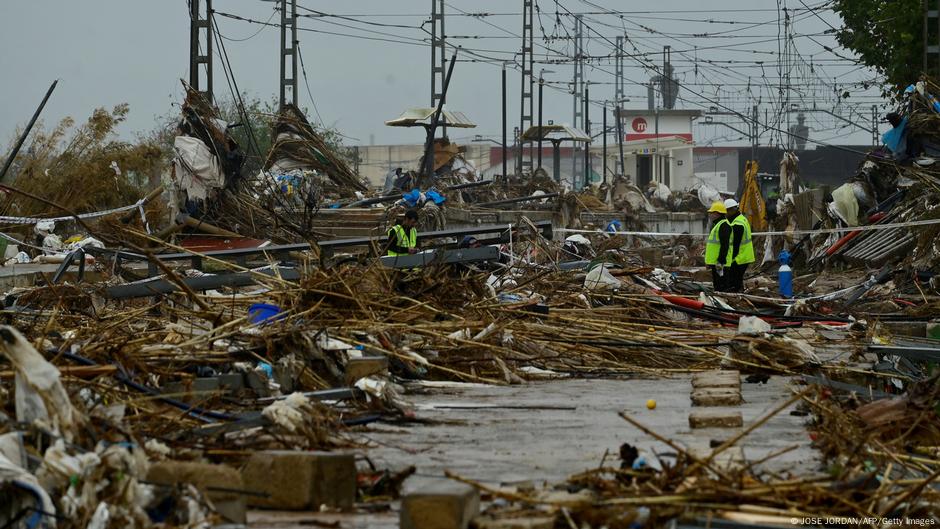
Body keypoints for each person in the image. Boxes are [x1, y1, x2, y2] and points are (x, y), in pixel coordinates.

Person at [717, 198, 755, 293]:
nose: (724, 214)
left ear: (731, 210)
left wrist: (728, 260)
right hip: (745, 256)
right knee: (737, 281)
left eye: (725, 211)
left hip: (739, 258)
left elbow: (735, 245)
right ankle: (739, 294)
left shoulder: (737, 224)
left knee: (733, 283)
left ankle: (735, 299)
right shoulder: (741, 219)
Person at [703, 201, 729, 291]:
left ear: (717, 213)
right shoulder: (718, 225)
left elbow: (725, 245)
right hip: (716, 262)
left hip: (720, 263)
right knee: (717, 286)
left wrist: (720, 261)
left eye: (712, 213)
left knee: (720, 286)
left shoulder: (723, 226)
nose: (710, 215)